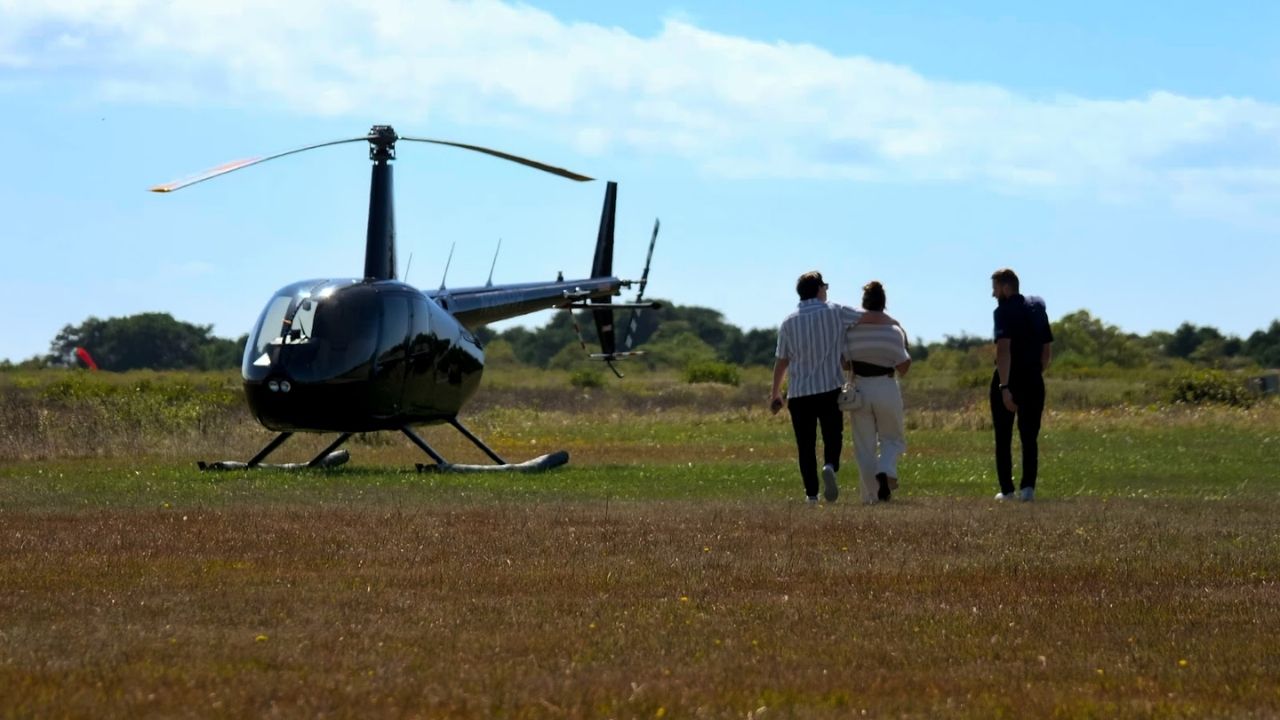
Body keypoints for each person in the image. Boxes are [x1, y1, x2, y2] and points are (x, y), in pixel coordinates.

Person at [770, 271, 864, 504]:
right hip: (829, 387)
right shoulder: (836, 311)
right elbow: (864, 317)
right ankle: (830, 465)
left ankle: (811, 495)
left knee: (805, 445)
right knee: (833, 435)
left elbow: (782, 360)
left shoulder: (788, 322)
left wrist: (775, 393)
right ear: (820, 289)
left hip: (800, 392)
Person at [843, 281, 911, 504]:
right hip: (886, 386)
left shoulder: (851, 332)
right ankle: (886, 468)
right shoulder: (893, 331)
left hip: (859, 388)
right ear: (884, 303)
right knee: (892, 438)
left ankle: (870, 496)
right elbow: (903, 366)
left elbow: (844, 362)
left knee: (864, 446)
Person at [989, 268, 1053, 502]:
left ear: (1006, 287)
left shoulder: (1003, 311)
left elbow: (1003, 350)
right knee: (1029, 436)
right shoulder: (1037, 307)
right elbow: (1046, 349)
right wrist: (1036, 372)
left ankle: (1007, 490)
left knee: (1003, 436)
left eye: (995, 288)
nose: (993, 294)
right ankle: (1028, 488)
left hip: (1010, 377)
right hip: (1034, 377)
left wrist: (1005, 387)